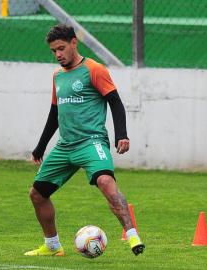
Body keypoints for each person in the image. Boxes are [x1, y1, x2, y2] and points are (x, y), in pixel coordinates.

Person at [24, 24, 145, 257]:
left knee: (105, 182)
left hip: (92, 142)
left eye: (61, 48)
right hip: (65, 146)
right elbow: (54, 113)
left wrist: (122, 134)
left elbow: (116, 103)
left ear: (73, 43)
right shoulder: (57, 76)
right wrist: (41, 146)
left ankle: (132, 236)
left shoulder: (94, 69)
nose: (58, 54)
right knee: (37, 194)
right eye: (53, 51)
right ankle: (52, 246)